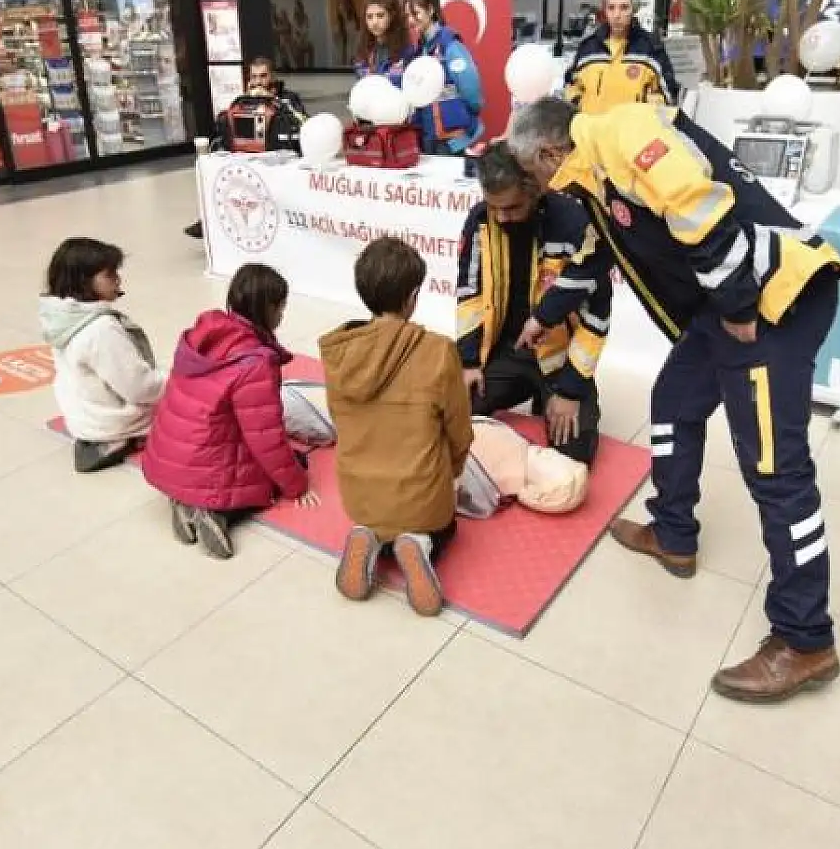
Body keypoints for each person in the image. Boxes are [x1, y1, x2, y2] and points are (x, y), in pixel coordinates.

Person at [507, 97, 840, 703]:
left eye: (532, 174)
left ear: (549, 153)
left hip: (771, 305)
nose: (537, 187)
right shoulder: (590, 176)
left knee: (777, 472)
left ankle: (805, 640)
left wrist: (740, 308)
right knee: (673, 403)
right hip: (730, 311)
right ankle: (674, 531)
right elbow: (595, 257)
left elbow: (699, 205)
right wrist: (542, 316)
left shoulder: (623, 133)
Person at [319, 237, 474, 617]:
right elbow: (459, 430)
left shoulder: (339, 353)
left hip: (360, 494)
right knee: (446, 526)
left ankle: (370, 536)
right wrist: (452, 471)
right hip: (422, 494)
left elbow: (339, 421)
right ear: (413, 295)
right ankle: (419, 543)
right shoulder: (438, 351)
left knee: (382, 513)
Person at [142, 264, 317, 560]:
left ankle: (184, 499)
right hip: (205, 465)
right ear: (267, 309)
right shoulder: (255, 363)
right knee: (279, 474)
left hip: (167, 458)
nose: (282, 317)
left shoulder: (203, 335)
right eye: (280, 308)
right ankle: (216, 513)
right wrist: (296, 486)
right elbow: (266, 439)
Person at [456, 144, 608, 466]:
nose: (500, 217)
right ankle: (531, 390)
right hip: (507, 352)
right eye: (492, 206)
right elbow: (468, 294)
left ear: (535, 189)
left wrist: (570, 389)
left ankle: (552, 394)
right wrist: (468, 361)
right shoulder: (481, 220)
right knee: (450, 416)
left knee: (574, 456)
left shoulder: (572, 221)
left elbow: (598, 314)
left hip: (561, 360)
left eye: (510, 208)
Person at [39, 237, 166, 474]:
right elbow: (141, 389)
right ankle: (122, 438)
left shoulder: (59, 316)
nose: (118, 280)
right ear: (84, 282)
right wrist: (181, 379)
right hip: (111, 423)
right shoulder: (100, 330)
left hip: (82, 417)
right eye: (109, 275)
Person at [185, 57, 307, 239]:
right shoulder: (242, 100)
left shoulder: (288, 98)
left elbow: (304, 122)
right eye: (254, 77)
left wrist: (273, 101)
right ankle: (210, 218)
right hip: (245, 154)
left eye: (263, 76)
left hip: (278, 157)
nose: (258, 81)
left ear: (272, 76)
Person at [564, 0, 678, 114]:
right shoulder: (588, 47)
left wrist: (646, 112)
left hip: (632, 132)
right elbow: (570, 85)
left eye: (624, 7)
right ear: (605, 11)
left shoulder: (650, 48)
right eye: (611, 7)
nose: (617, 15)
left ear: (634, 9)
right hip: (594, 130)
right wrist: (581, 105)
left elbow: (668, 92)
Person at [402, 0, 484, 156]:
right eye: (407, 16)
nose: (410, 20)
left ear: (431, 10)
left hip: (453, 139)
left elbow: (471, 88)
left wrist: (469, 115)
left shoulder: (450, 46)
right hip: (428, 136)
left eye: (415, 13)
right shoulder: (418, 51)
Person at [354, 0, 409, 87]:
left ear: (392, 15)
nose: (374, 22)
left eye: (380, 15)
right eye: (369, 17)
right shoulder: (363, 50)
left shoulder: (406, 50)